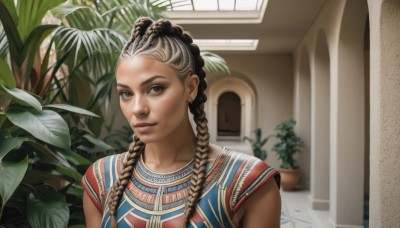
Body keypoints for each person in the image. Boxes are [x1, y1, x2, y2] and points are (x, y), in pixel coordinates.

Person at [82, 17, 281, 228]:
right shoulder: (101, 179)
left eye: (155, 88)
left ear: (191, 88)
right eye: (126, 93)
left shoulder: (249, 182)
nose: (137, 108)